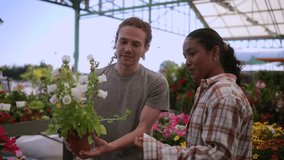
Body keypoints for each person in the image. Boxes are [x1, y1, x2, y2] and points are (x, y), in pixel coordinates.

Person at [135, 28, 254, 160]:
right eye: (185, 56)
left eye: (192, 53)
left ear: (215, 52)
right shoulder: (210, 91)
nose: (187, 62)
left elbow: (218, 156)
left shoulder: (224, 94)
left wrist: (159, 151)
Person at [69, 17, 170, 160]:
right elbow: (79, 116)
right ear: (116, 42)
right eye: (123, 41)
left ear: (145, 48)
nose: (128, 49)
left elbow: (143, 129)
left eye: (136, 44)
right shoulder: (94, 77)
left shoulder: (156, 82)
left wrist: (108, 147)